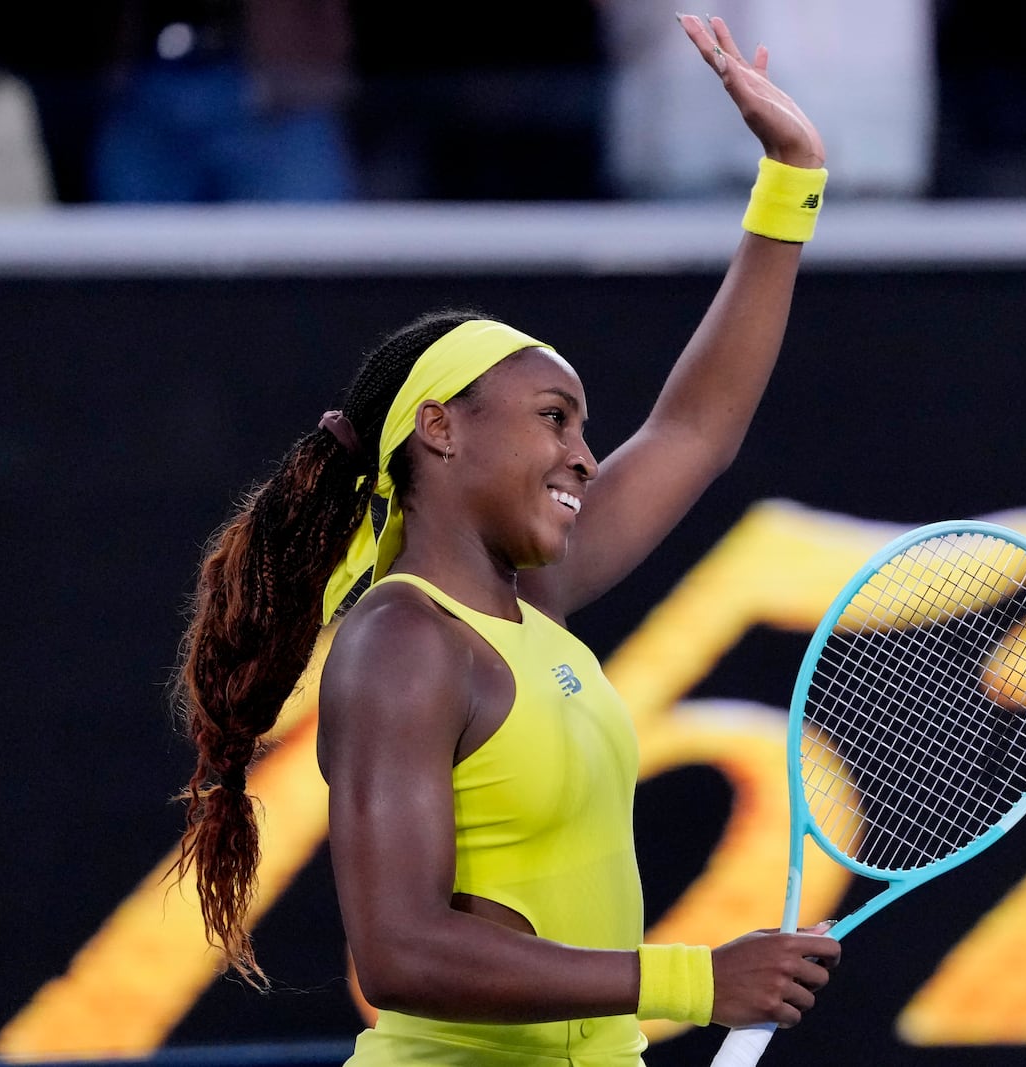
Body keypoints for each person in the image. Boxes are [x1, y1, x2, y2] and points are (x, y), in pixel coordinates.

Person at [174, 13, 841, 1066]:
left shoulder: (536, 602)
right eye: (552, 417)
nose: (584, 454)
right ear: (438, 426)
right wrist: (693, 978)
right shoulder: (402, 641)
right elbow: (397, 950)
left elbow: (693, 429)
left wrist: (791, 181)